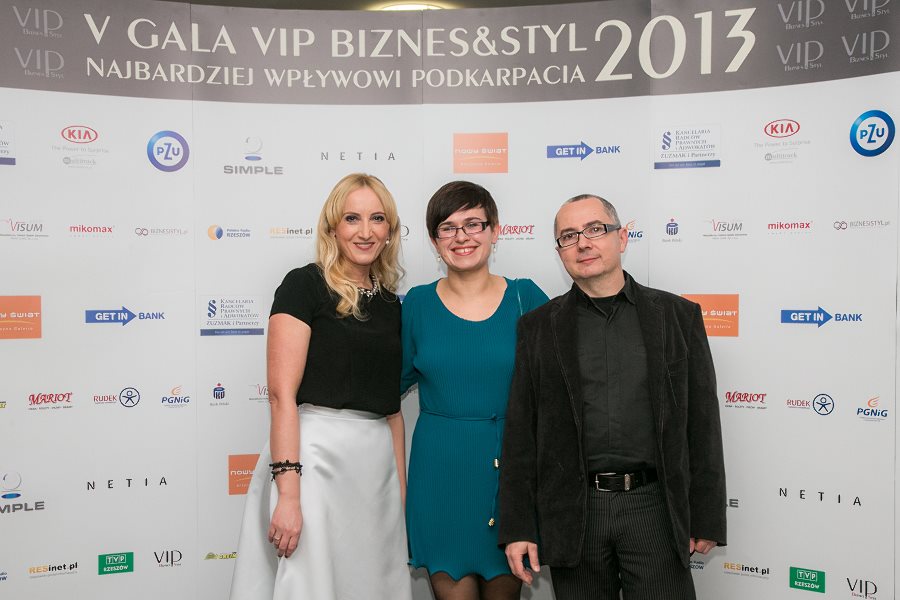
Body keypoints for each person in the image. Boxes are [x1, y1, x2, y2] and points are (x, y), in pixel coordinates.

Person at [498, 194, 726, 600]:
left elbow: (703, 423)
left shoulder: (677, 316)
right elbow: (521, 434)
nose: (583, 243)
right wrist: (518, 527)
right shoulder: (538, 328)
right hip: (575, 513)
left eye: (595, 230)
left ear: (621, 238)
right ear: (559, 252)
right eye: (569, 236)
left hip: (654, 508)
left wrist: (707, 515)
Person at [229, 173, 412, 600]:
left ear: (390, 231)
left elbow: (392, 411)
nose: (365, 231)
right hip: (313, 463)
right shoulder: (304, 284)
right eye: (352, 218)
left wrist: (399, 496)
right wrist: (289, 494)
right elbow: (281, 396)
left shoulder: (390, 303)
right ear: (332, 228)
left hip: (375, 472)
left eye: (377, 219)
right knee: (310, 583)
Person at [401, 181, 548, 600]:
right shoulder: (417, 304)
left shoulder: (525, 297)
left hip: (509, 477)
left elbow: (558, 390)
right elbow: (385, 388)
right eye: (447, 227)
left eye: (473, 224)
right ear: (434, 241)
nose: (461, 236)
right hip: (439, 476)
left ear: (495, 230)